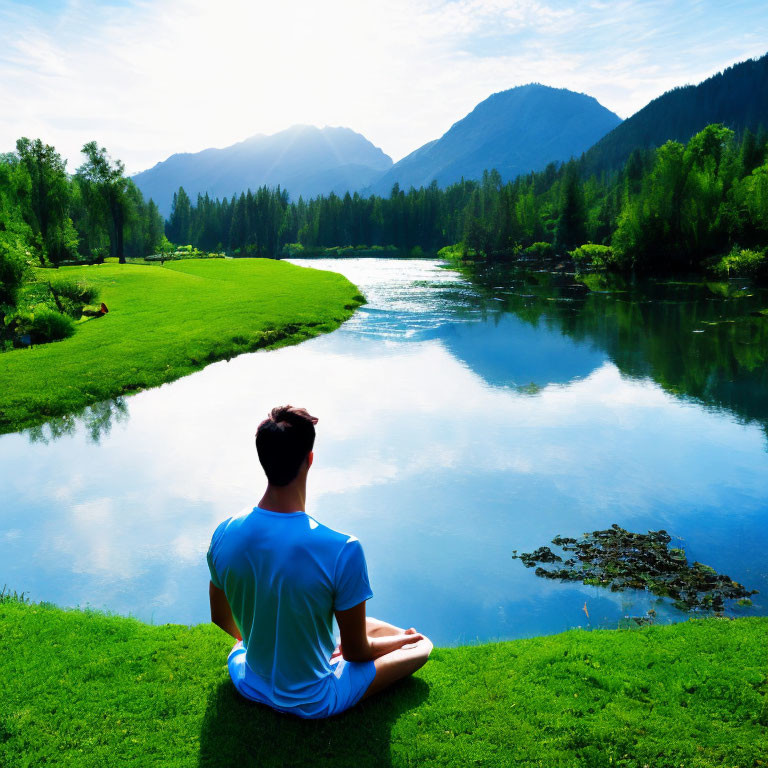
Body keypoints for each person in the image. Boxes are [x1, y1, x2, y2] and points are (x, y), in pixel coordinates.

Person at [206, 405, 433, 719]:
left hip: (248, 678)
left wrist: (261, 639)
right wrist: (401, 641)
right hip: (313, 698)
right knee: (420, 646)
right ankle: (355, 651)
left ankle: (315, 649)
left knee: (354, 626)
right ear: (309, 460)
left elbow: (220, 616)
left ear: (263, 461)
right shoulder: (342, 548)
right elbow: (356, 653)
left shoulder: (225, 532)